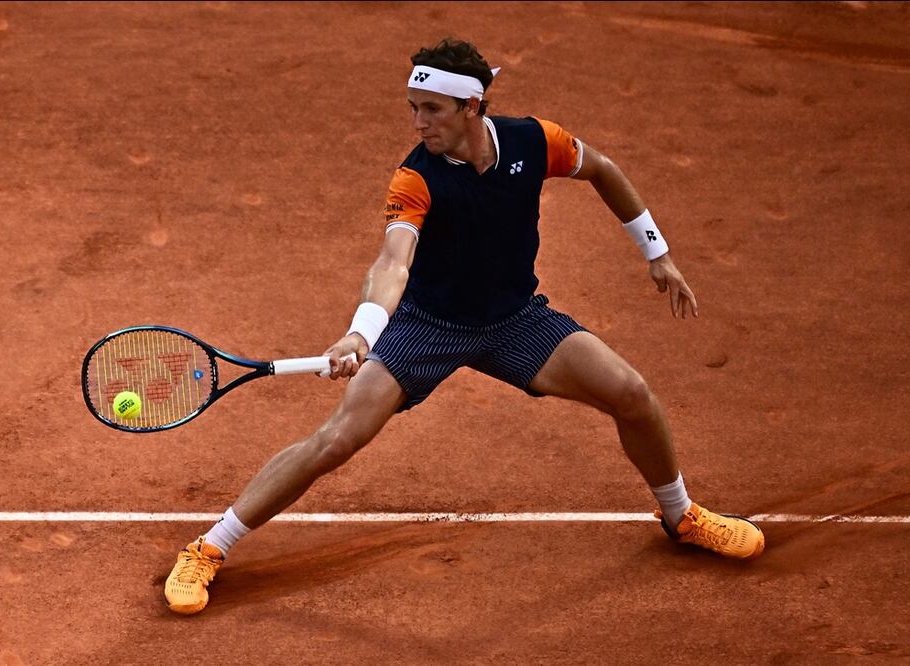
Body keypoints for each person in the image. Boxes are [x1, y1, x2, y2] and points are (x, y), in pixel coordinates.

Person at [164, 38, 764, 615]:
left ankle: (681, 516)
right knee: (337, 439)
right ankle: (208, 548)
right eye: (413, 108)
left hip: (515, 320)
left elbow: (603, 169)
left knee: (631, 394)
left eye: (432, 109)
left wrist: (656, 251)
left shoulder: (536, 140)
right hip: (428, 326)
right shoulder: (416, 177)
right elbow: (392, 263)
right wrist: (361, 334)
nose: (418, 122)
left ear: (471, 106)